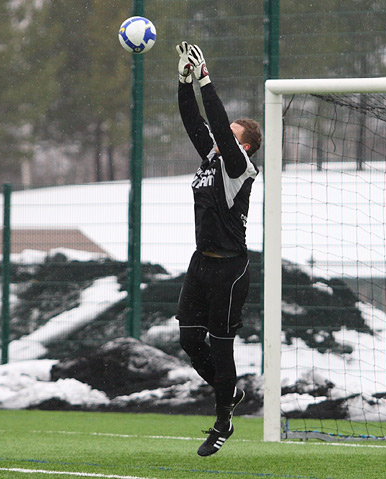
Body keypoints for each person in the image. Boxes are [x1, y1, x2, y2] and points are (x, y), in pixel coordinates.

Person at [175, 43, 262, 456]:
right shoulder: (212, 157)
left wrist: (206, 78)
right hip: (201, 263)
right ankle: (228, 393)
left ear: (243, 147)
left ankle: (223, 420)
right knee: (190, 340)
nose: (219, 138)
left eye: (229, 136)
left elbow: (218, 121)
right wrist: (184, 81)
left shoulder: (238, 168)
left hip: (230, 269)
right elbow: (194, 119)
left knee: (221, 346)